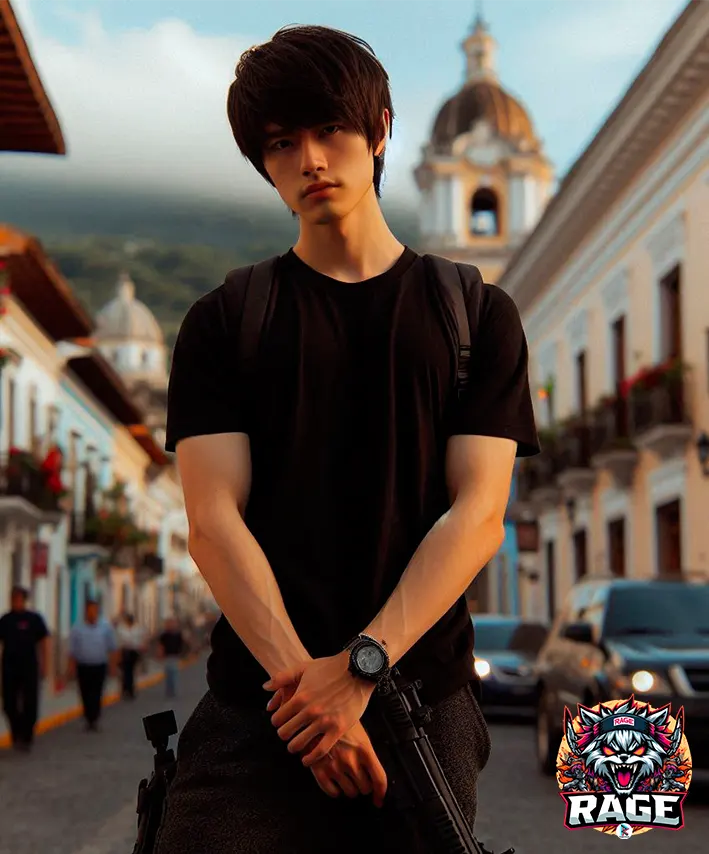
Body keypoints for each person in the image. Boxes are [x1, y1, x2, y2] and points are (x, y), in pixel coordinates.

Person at [154, 24, 539, 854]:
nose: (310, 159)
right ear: (263, 164)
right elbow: (212, 522)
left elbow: (478, 514)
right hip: (260, 705)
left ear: (380, 130)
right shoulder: (224, 321)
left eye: (329, 129)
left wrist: (361, 668)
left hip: (423, 701)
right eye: (280, 143)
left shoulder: (476, 315)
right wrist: (312, 700)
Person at [0, 586, 50, 751]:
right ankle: (16, 733)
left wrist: (45, 664)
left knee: (30, 702)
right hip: (9, 667)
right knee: (9, 703)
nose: (16, 602)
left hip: (29, 667)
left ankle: (27, 736)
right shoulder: (5, 620)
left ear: (24, 600)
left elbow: (44, 641)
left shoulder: (34, 619)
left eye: (19, 599)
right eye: (13, 599)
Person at [67, 600, 118, 731]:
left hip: (99, 665)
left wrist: (113, 667)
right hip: (83, 666)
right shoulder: (77, 628)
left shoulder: (105, 628)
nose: (92, 613)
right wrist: (71, 668)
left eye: (94, 610)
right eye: (89, 610)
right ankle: (88, 716)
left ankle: (94, 718)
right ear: (86, 612)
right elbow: (72, 650)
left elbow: (112, 648)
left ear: (97, 611)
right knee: (85, 692)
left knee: (97, 692)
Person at [117, 613, 146, 699]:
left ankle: (130, 690)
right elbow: (118, 640)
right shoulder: (121, 629)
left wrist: (142, 647)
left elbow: (142, 638)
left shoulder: (137, 629)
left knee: (131, 671)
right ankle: (125, 690)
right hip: (124, 651)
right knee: (125, 671)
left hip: (134, 651)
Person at [158, 617, 186, 698]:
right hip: (167, 656)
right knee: (168, 674)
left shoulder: (178, 634)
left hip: (175, 656)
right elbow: (161, 646)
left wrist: (182, 653)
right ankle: (169, 690)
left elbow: (182, 644)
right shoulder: (164, 635)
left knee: (174, 674)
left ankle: (173, 690)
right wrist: (160, 654)